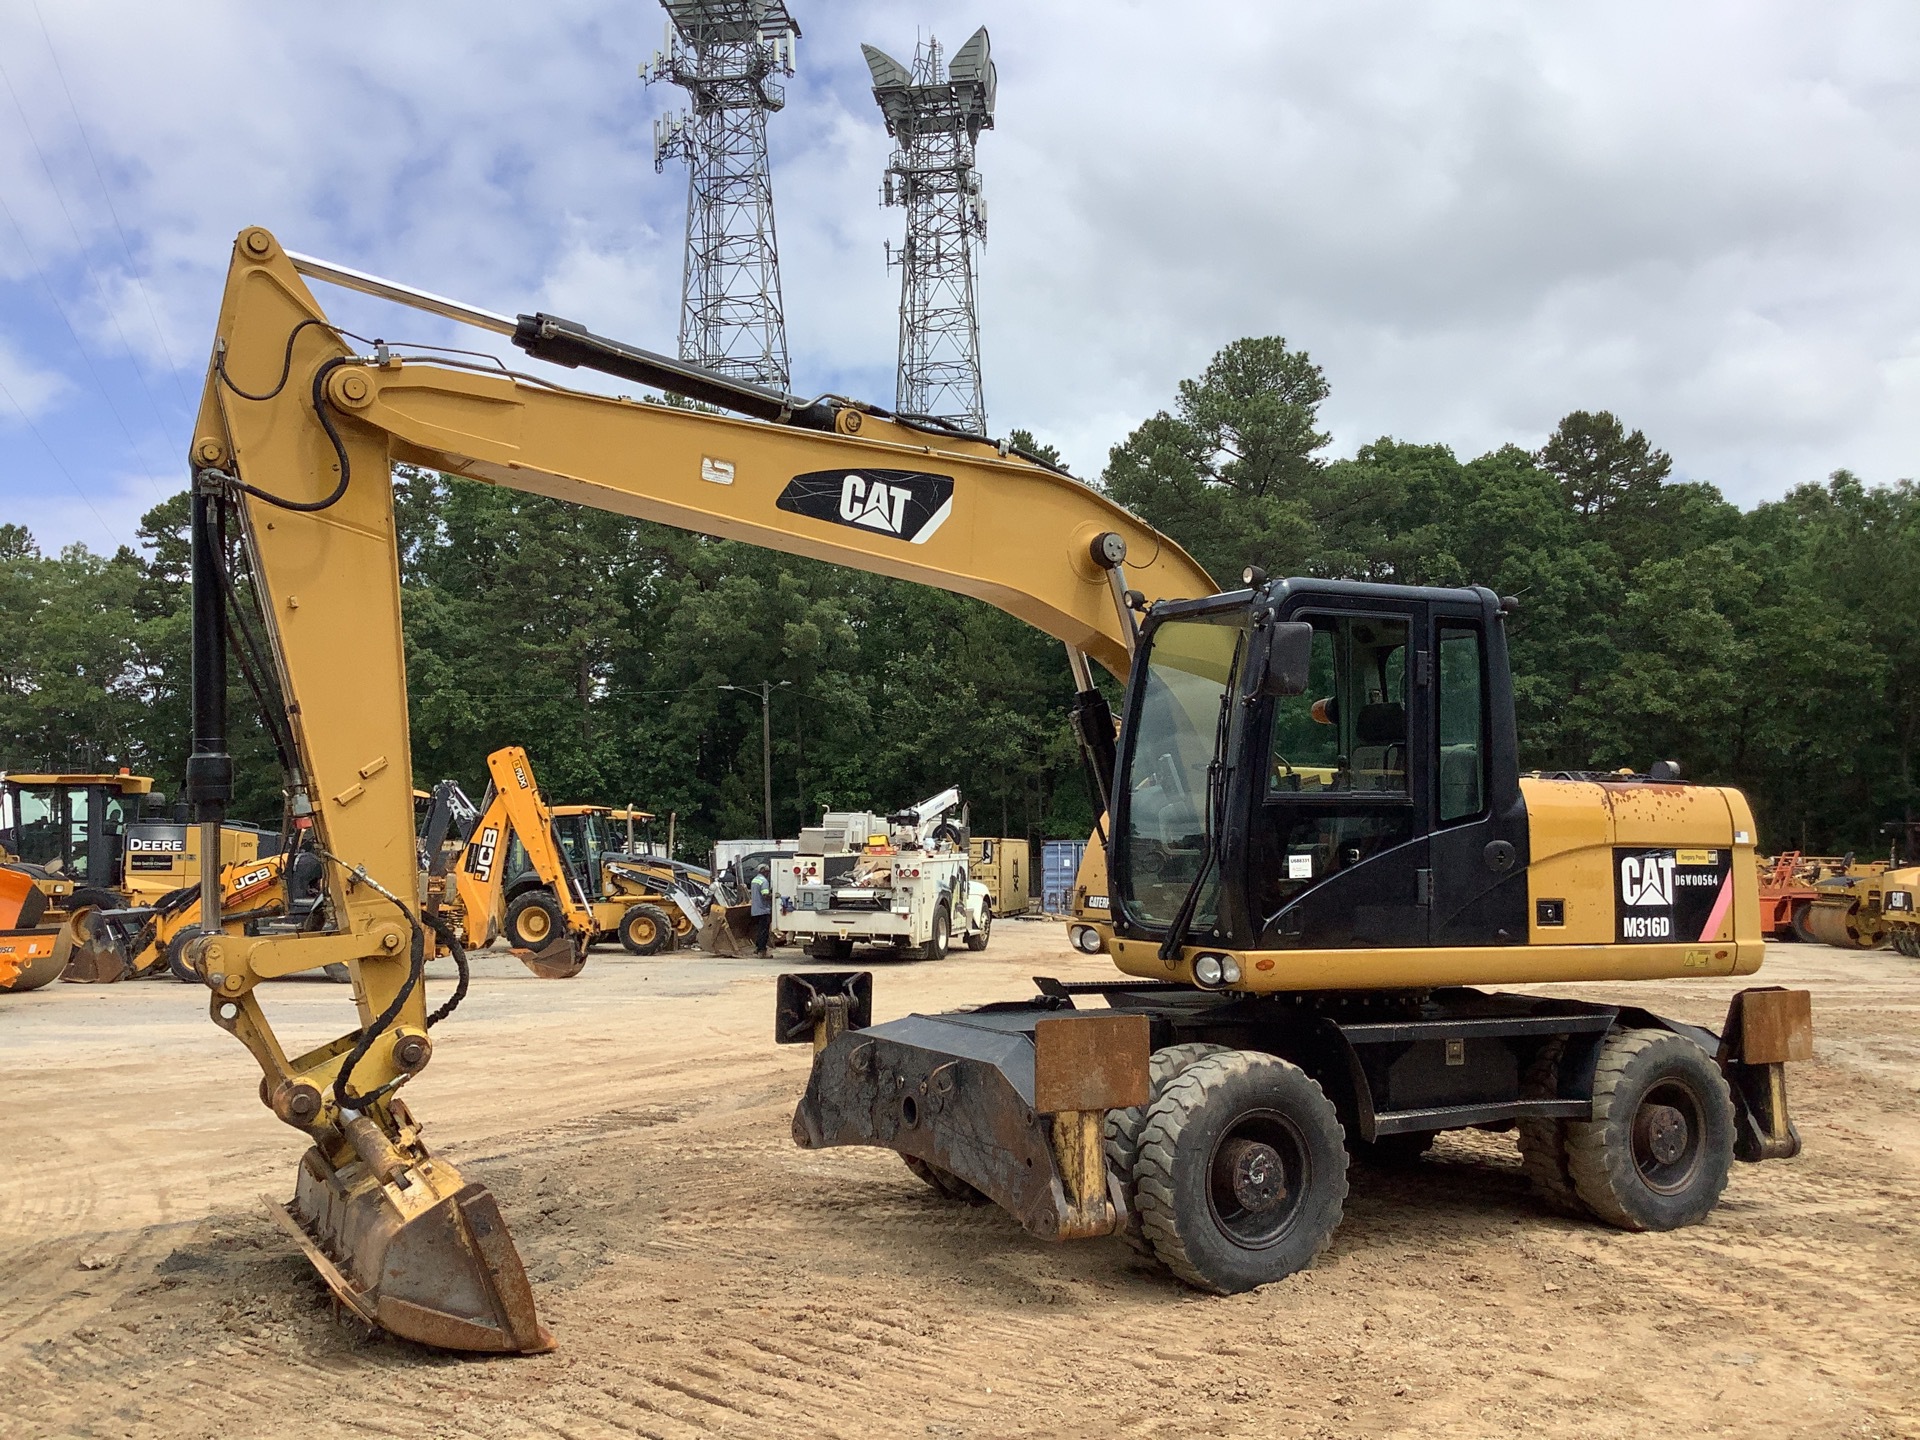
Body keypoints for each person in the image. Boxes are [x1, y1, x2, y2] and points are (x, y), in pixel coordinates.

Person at [749, 863, 773, 957]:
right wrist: (775, 896)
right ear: (765, 871)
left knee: (759, 930)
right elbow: (765, 895)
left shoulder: (754, 880)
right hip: (763, 909)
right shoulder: (764, 881)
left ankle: (758, 948)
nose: (768, 873)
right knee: (764, 931)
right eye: (768, 871)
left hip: (755, 909)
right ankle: (762, 951)